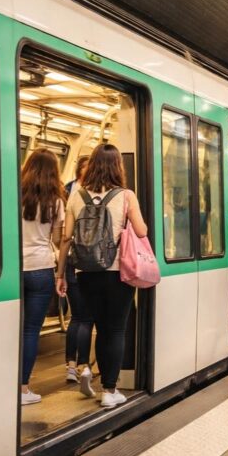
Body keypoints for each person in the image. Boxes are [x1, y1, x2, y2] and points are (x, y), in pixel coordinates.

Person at [56, 143, 148, 409]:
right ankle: (110, 389)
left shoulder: (76, 195)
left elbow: (65, 239)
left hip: (85, 272)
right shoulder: (126, 195)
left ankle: (86, 369)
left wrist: (60, 274)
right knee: (115, 329)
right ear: (117, 166)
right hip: (117, 271)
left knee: (96, 325)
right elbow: (141, 231)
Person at [19, 149, 67, 406]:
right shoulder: (56, 201)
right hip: (41, 268)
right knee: (30, 331)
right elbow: (58, 240)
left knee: (9, 330)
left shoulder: (16, 194)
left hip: (14, 269)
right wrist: (61, 274)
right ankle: (23, 389)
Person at [62, 155, 93, 385]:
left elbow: (64, 237)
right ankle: (84, 365)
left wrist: (59, 272)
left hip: (72, 260)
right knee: (86, 318)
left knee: (75, 318)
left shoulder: (68, 192)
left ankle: (71, 366)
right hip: (90, 263)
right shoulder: (99, 193)